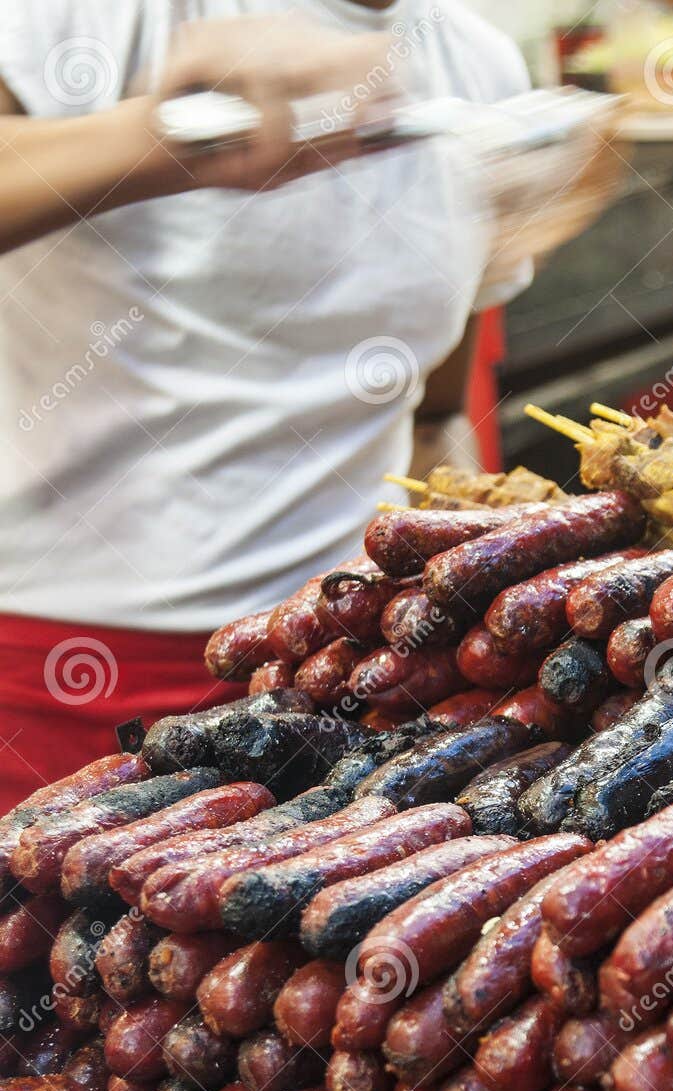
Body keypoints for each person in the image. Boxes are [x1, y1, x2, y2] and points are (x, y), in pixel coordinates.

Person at [0, 2, 544, 808]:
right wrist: (167, 136)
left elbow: (431, 407)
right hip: (64, 673)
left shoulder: (478, 63)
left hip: (338, 676)